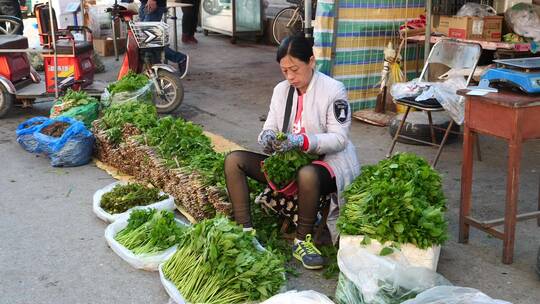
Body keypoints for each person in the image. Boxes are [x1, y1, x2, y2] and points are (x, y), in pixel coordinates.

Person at [224, 35, 360, 270]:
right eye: (284, 71)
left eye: (294, 70)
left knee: (307, 173)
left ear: (311, 61)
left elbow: (339, 139)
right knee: (234, 160)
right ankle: (245, 231)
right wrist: (266, 137)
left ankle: (302, 242)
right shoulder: (281, 90)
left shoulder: (334, 90)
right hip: (288, 162)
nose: (290, 77)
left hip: (327, 165)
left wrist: (302, 140)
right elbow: (271, 127)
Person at [139, 0, 189, 78]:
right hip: (145, 4)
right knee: (145, 42)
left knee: (149, 41)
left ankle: (180, 58)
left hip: (152, 4)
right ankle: (157, 69)